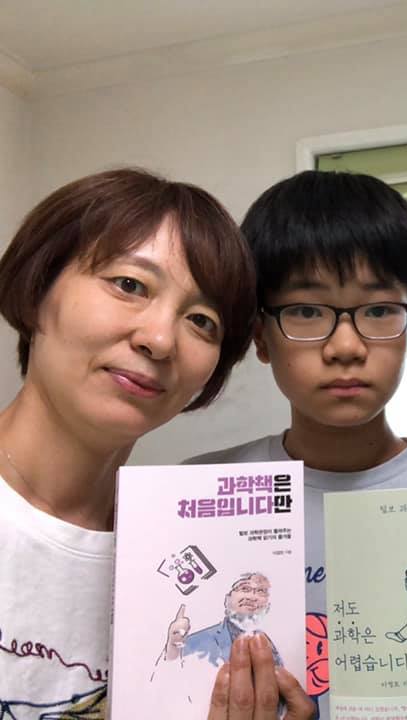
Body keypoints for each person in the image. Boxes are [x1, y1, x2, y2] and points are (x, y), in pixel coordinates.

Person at [0, 168, 312, 719]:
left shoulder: (183, 562)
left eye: (202, 321)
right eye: (129, 285)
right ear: (38, 285)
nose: (161, 339)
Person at [187, 170, 407, 719]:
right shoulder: (195, 496)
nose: (345, 346)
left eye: (378, 310)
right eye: (306, 311)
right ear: (259, 334)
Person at [163, 572, 283, 667]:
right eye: (244, 588)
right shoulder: (197, 641)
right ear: (227, 599)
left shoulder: (268, 643)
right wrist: (173, 647)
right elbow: (170, 676)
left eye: (261, 591)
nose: (252, 597)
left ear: (267, 605)